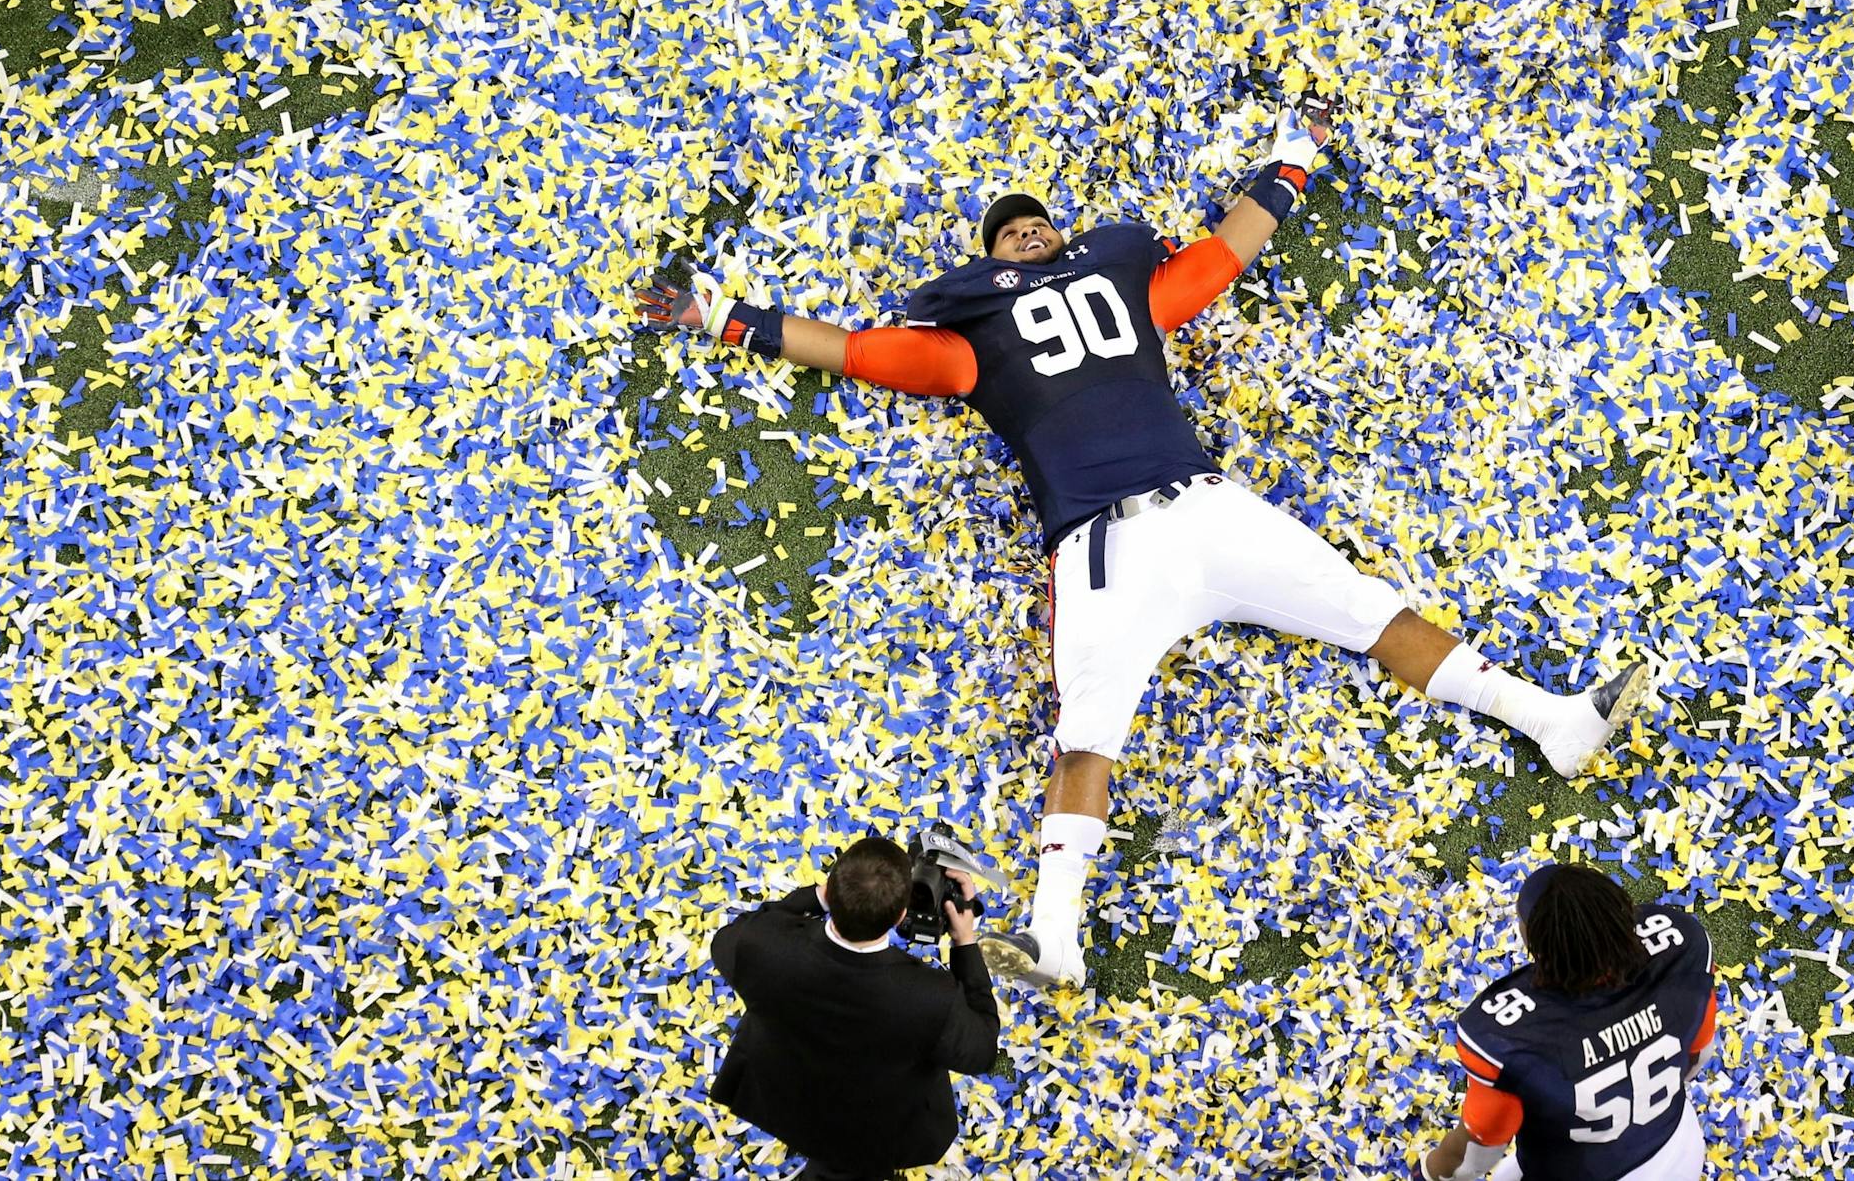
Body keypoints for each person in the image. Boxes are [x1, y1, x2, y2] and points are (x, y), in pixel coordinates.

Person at [639, 100, 1651, 988]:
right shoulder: (966, 343)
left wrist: (1292, 157)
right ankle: (1055, 931)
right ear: (989, 262)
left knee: (1368, 609)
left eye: (1038, 223)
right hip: (1102, 546)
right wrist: (721, 317)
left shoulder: (1124, 289)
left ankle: (1551, 721)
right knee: (1089, 730)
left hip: (1206, 505)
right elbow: (855, 349)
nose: (1026, 232)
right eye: (1009, 232)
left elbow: (1220, 257)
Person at [708, 836, 999, 1180]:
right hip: (880, 1130)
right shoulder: (931, 998)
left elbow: (734, 933)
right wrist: (965, 941)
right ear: (901, 916)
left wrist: (816, 896)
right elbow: (982, 1052)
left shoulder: (761, 946)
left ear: (830, 890)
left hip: (782, 1098)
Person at [1420, 864, 1718, 1181]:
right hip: (1677, 1152)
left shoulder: (1508, 1037)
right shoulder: (1684, 947)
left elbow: (1475, 1154)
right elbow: (1699, 1054)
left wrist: (1424, 1174)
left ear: (1533, 940)